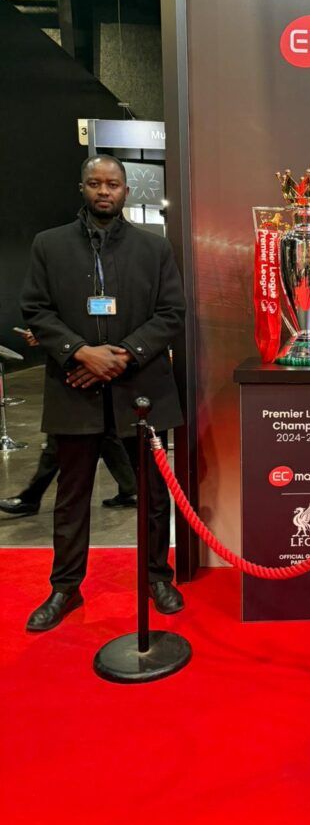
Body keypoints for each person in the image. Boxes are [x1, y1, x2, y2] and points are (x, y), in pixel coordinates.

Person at [21, 155, 187, 631]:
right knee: (72, 496)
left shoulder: (154, 249)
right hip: (74, 389)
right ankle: (65, 588)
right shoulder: (48, 245)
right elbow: (36, 309)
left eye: (112, 184)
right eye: (94, 183)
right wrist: (80, 353)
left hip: (142, 392)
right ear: (82, 188)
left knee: (154, 496)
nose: (103, 191)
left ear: (125, 191)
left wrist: (122, 355)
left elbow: (171, 313)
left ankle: (157, 576)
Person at [0, 331, 137, 516]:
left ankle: (31, 498)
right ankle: (131, 490)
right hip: (81, 369)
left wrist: (47, 336)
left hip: (87, 371)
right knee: (106, 434)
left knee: (60, 436)